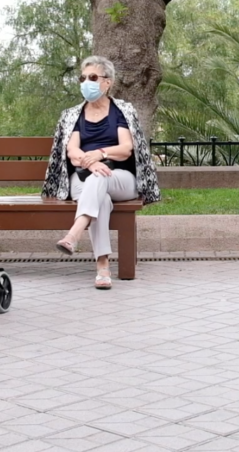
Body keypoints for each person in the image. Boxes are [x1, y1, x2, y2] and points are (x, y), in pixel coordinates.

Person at [42, 55, 160, 289]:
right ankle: (102, 268)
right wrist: (91, 163)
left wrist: (101, 154)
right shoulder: (72, 114)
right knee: (101, 199)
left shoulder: (121, 111)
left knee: (100, 180)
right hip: (82, 179)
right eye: (83, 77)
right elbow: (71, 150)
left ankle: (73, 235)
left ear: (108, 82)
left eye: (93, 77)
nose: (86, 82)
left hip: (120, 179)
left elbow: (126, 149)